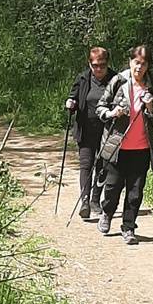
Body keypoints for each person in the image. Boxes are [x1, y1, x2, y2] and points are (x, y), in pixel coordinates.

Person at [95, 45, 153, 245]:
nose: (139, 68)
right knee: (112, 188)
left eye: (143, 64)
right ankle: (107, 213)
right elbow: (100, 107)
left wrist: (151, 106)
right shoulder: (118, 81)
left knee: (135, 192)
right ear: (130, 62)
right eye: (136, 63)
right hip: (118, 147)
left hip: (142, 149)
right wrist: (112, 113)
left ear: (148, 66)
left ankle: (128, 227)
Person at [64, 47, 116, 218]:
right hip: (85, 129)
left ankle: (95, 199)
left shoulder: (116, 80)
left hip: (107, 132)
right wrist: (71, 103)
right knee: (86, 165)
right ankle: (84, 200)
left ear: (107, 64)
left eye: (102, 65)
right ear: (89, 64)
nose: (98, 69)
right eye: (95, 65)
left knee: (103, 167)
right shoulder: (83, 78)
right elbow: (73, 97)